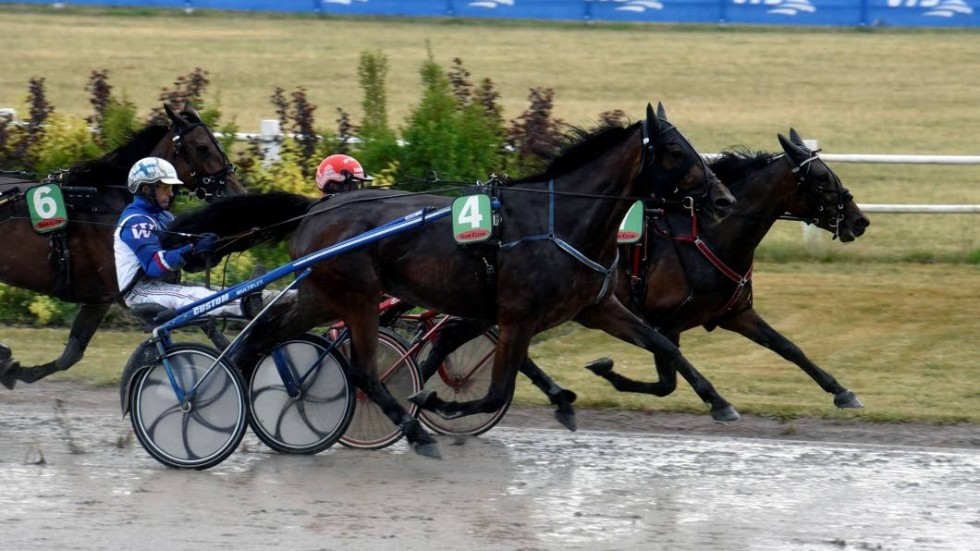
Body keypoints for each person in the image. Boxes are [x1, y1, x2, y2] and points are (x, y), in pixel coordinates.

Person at [113, 157, 246, 317]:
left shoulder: (165, 217)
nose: (170, 193)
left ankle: (271, 301)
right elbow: (154, 266)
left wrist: (207, 250)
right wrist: (192, 249)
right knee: (208, 298)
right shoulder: (136, 221)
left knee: (234, 293)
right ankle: (251, 306)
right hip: (141, 291)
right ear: (146, 189)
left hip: (166, 285)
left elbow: (188, 265)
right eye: (165, 187)